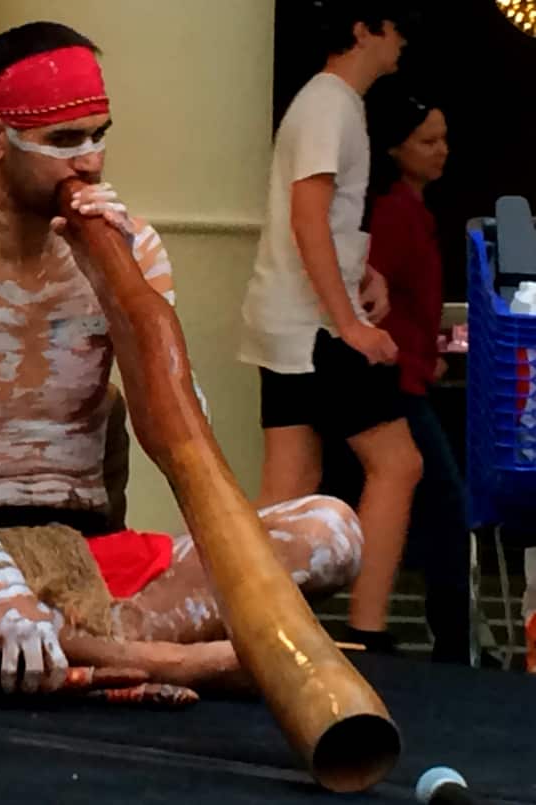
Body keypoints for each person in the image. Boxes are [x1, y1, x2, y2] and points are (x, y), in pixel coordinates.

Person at [0, 21, 365, 698]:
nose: (89, 161)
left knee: (331, 529)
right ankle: (167, 661)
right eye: (62, 141)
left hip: (97, 558)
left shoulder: (133, 248)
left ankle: (17, 656)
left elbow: (182, 435)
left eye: (98, 134)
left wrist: (118, 291)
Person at [238, 1, 420, 653]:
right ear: (364, 28)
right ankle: (364, 627)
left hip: (289, 319)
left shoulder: (325, 104)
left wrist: (360, 277)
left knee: (288, 479)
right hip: (314, 327)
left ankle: (254, 621)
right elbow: (307, 215)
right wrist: (348, 320)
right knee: (397, 462)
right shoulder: (330, 105)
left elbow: (325, 222)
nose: (402, 39)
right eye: (396, 24)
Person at [360, 87, 470, 663]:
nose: (441, 151)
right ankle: (451, 641)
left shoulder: (413, 212)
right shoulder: (395, 214)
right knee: (446, 506)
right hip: (395, 381)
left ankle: (449, 637)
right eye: (428, 141)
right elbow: (376, 289)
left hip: (412, 373)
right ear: (396, 148)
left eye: (444, 139)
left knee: (437, 508)